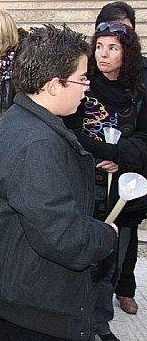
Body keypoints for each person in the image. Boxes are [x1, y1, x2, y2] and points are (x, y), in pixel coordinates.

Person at [0, 24, 118, 340]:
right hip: (35, 307)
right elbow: (62, 236)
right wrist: (104, 235)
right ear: (53, 85)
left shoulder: (22, 119)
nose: (86, 87)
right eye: (81, 78)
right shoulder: (38, 143)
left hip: (19, 296)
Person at [64, 21, 147, 340]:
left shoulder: (138, 91)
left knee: (111, 255)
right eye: (99, 46)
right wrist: (111, 151)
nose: (103, 54)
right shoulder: (85, 85)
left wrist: (124, 156)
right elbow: (71, 129)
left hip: (122, 189)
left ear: (127, 53)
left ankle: (100, 320)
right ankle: (76, 315)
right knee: (80, 252)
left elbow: (143, 135)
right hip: (85, 183)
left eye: (112, 47)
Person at [95, 1, 145, 317]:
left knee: (125, 238)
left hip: (130, 174)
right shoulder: (84, 75)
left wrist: (123, 156)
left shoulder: (142, 77)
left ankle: (124, 288)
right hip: (92, 176)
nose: (104, 53)